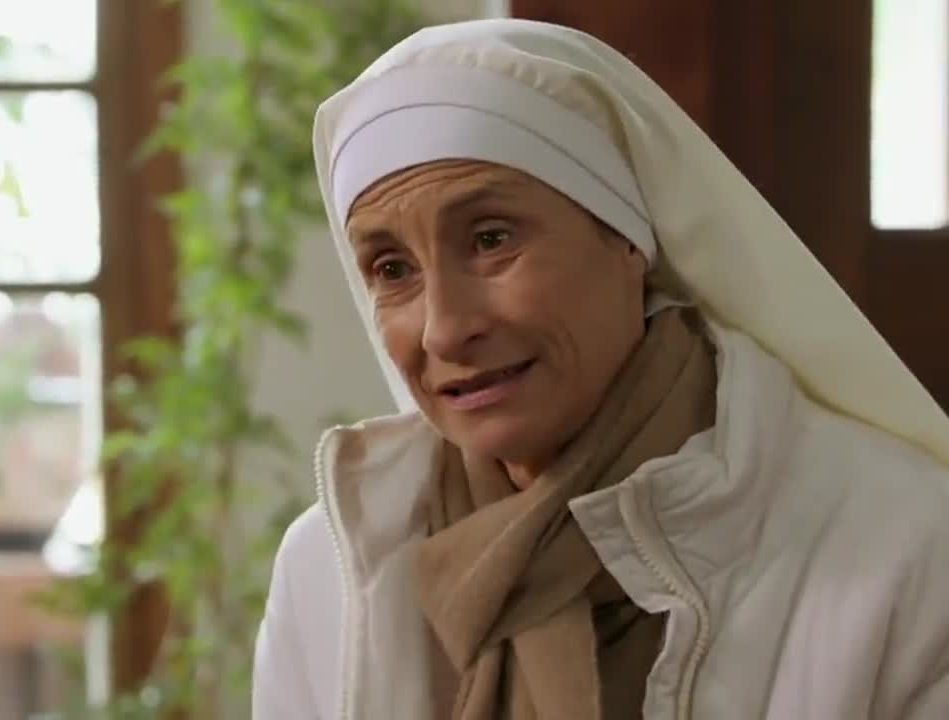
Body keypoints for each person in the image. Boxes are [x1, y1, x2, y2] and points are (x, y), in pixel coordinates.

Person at [252, 17, 949, 720]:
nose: (445, 329)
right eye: (392, 269)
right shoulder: (333, 572)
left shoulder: (905, 550)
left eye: (491, 239)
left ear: (628, 238)